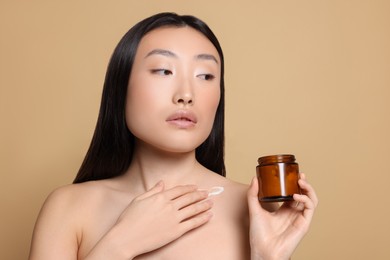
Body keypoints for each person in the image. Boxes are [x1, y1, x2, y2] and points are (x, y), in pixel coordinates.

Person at [29, 12, 318, 260]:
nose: (186, 95)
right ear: (121, 87)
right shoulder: (69, 208)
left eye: (205, 76)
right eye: (163, 70)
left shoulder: (254, 209)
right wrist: (120, 244)